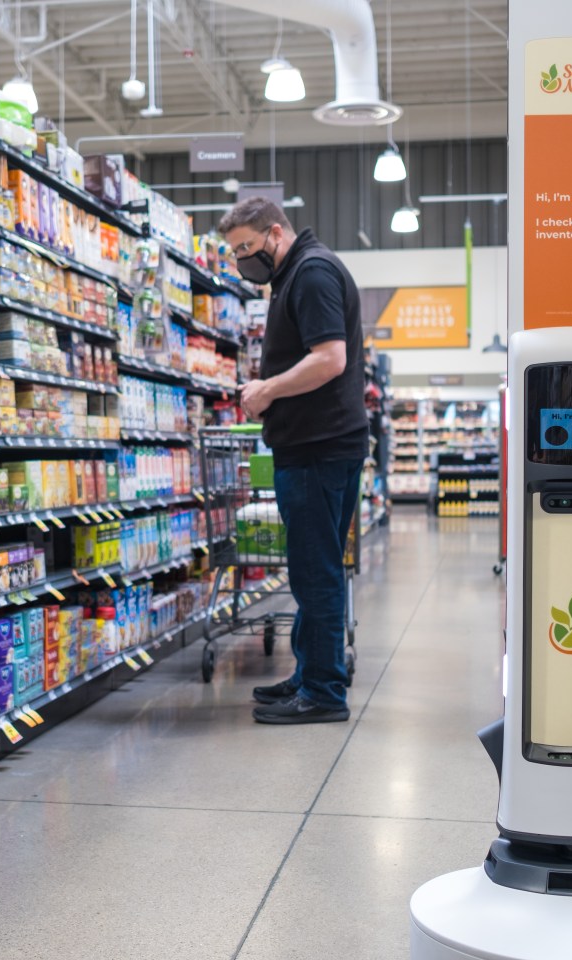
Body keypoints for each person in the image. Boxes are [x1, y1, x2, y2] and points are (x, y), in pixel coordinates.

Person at [219, 197, 368, 725]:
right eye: (234, 251)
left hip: (318, 449)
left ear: (275, 233)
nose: (242, 260)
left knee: (316, 572)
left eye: (247, 248)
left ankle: (324, 692)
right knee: (311, 570)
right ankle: (310, 674)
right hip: (316, 446)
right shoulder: (295, 274)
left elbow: (330, 359)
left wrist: (266, 390)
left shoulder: (311, 273)